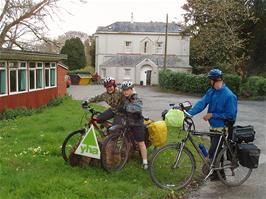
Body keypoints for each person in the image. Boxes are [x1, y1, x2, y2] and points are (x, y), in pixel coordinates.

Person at [186, 69, 237, 180]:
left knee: (214, 151)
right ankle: (218, 174)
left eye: (211, 80)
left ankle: (218, 174)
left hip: (224, 128)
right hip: (214, 127)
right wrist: (188, 113)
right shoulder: (212, 91)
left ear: (216, 80)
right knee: (215, 152)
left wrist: (212, 115)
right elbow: (202, 103)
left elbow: (231, 115)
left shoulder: (229, 96)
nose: (210, 83)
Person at [119, 81, 149, 170]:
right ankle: (126, 155)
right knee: (126, 139)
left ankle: (145, 162)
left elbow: (138, 107)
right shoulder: (125, 98)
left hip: (137, 123)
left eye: (127, 90)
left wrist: (125, 108)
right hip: (128, 122)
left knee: (141, 143)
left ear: (131, 89)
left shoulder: (137, 97)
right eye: (124, 90)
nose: (125, 92)